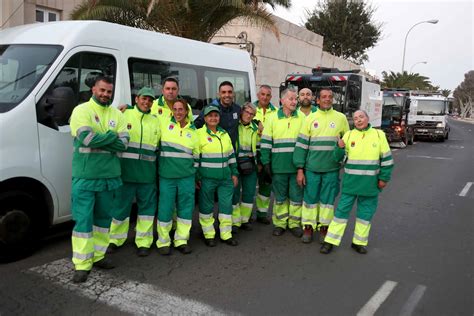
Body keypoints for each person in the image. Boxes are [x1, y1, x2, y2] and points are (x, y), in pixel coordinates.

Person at [69, 76, 129, 283]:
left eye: (109, 91)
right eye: (102, 90)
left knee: (103, 221)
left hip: (110, 177)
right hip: (86, 177)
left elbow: (125, 144)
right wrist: (112, 136)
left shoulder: (116, 114)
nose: (105, 94)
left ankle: (99, 256)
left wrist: (107, 139)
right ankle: (82, 264)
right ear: (94, 89)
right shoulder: (81, 110)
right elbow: (87, 139)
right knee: (83, 221)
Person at [320, 110, 394, 254]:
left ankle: (359, 242)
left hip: (370, 184)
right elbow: (338, 159)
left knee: (365, 215)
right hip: (350, 184)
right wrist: (339, 148)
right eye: (355, 118)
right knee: (340, 214)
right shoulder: (348, 135)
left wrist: (384, 178)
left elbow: (387, 159)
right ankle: (330, 242)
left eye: (361, 117)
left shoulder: (379, 135)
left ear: (367, 118)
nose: (358, 120)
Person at [107, 87, 160, 257]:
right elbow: (109, 125)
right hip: (125, 173)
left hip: (147, 175)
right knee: (120, 207)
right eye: (144, 98)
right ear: (137, 99)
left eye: (150, 100)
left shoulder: (155, 121)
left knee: (146, 210)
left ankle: (143, 242)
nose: (147, 102)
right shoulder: (123, 115)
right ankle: (115, 239)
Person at [293, 88, 350, 244]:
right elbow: (301, 145)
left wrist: (344, 160)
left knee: (327, 202)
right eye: (323, 97)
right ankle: (308, 228)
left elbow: (348, 144)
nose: (327, 99)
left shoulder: (341, 118)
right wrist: (300, 169)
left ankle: (324, 228)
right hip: (311, 169)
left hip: (331, 169)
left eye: (330, 97)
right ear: (317, 100)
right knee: (310, 200)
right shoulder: (310, 119)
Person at [155, 98, 200, 255]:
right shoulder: (163, 125)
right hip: (167, 177)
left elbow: (197, 157)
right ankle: (163, 241)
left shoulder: (194, 133)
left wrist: (193, 174)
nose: (178, 112)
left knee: (185, 209)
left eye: (181, 109)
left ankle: (181, 240)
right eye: (175, 109)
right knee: (165, 209)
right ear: (172, 111)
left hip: (186, 178)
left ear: (187, 111)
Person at [260, 88, 304, 237]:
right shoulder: (272, 118)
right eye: (291, 98)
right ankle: (280, 224)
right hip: (278, 168)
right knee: (280, 198)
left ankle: (294, 224)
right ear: (282, 101)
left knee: (296, 198)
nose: (294, 101)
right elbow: (265, 143)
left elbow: (306, 144)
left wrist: (302, 167)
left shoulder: (302, 118)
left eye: (295, 99)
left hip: (296, 168)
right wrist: (266, 164)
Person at [197, 105, 239, 247]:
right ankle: (209, 234)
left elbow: (231, 155)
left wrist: (234, 172)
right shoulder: (199, 134)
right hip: (207, 178)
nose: (213, 118)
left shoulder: (224, 134)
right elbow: (196, 158)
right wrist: (197, 177)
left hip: (225, 179)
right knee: (206, 206)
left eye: (216, 116)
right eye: (210, 116)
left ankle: (226, 234)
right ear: (204, 118)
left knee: (226, 206)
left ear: (219, 118)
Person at [231, 102, 259, 232]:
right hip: (236, 162)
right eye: (247, 112)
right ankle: (235, 222)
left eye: (252, 114)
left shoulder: (256, 128)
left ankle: (245, 220)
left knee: (248, 193)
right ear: (241, 112)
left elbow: (259, 146)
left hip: (250, 163)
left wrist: (259, 163)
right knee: (235, 193)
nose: (249, 115)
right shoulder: (234, 125)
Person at [253, 85, 278, 225]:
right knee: (250, 185)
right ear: (258, 94)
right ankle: (245, 217)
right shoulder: (250, 109)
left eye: (268, 95)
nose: (265, 97)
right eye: (262, 94)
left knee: (266, 184)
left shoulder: (276, 112)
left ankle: (262, 214)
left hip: (268, 152)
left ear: (271, 96)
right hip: (252, 152)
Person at [194, 81, 241, 149]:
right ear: (219, 94)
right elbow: (196, 125)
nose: (227, 95)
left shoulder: (237, 109)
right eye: (223, 92)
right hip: (214, 152)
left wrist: (258, 122)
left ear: (233, 94)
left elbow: (247, 120)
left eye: (230, 92)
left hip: (231, 152)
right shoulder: (210, 109)